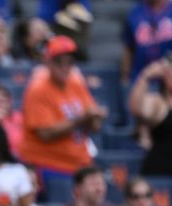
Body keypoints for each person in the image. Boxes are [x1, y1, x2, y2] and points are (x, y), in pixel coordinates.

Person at [19, 36, 107, 182]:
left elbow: (94, 125)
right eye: (59, 62)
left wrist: (96, 117)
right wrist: (82, 118)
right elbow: (45, 133)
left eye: (70, 62)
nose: (65, 67)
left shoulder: (75, 82)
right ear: (47, 62)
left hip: (80, 164)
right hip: (49, 165)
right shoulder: (38, 89)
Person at [128, 53, 172, 177]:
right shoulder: (158, 102)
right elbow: (136, 109)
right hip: (162, 171)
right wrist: (146, 76)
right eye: (168, 72)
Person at [121, 0, 172, 83]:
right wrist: (125, 79)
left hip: (171, 83)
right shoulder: (135, 13)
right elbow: (129, 48)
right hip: (141, 80)